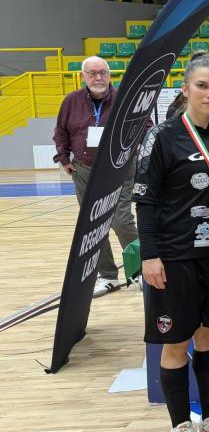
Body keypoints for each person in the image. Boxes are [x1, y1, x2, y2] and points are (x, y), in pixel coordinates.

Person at [133, 53, 209, 432]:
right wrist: (150, 255)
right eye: (202, 85)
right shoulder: (162, 136)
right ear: (185, 89)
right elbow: (145, 201)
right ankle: (180, 426)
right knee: (176, 342)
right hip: (176, 256)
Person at [53, 55, 139, 295]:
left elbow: (145, 126)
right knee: (93, 225)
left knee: (121, 221)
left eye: (103, 72)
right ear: (84, 76)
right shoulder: (71, 101)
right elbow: (60, 132)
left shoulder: (125, 98)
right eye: (93, 73)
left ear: (109, 75)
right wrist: (64, 159)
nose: (98, 77)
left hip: (119, 169)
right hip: (84, 170)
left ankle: (140, 271)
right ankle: (108, 276)